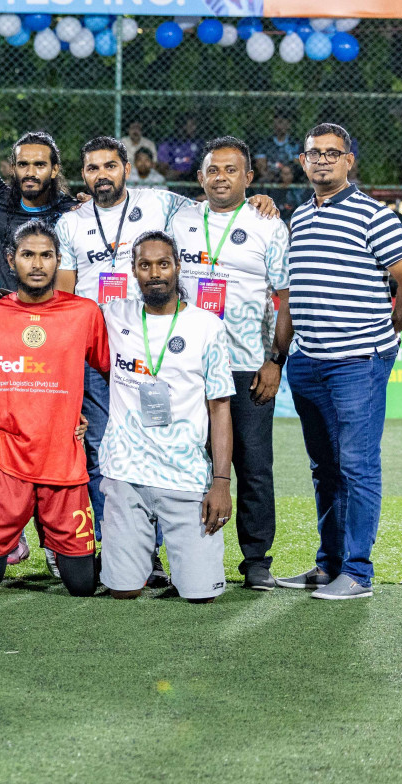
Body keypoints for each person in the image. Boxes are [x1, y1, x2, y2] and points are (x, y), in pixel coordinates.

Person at [53, 137, 274, 554]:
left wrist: (253, 199)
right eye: (93, 168)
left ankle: (160, 551)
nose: (102, 175)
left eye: (110, 166)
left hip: (148, 346)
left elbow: (211, 203)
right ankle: (114, 545)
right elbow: (65, 297)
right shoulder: (72, 221)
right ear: (83, 174)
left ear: (126, 168)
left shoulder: (161, 202)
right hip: (94, 352)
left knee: (160, 446)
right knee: (100, 449)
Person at [276, 123, 402, 599]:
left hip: (357, 363)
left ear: (348, 161)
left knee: (358, 465)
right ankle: (330, 565)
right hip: (309, 362)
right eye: (314, 153)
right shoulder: (299, 217)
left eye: (332, 154)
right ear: (303, 161)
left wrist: (386, 333)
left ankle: (358, 573)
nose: (322, 160)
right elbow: (294, 296)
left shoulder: (374, 216)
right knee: (325, 468)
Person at [0, 221, 108, 598]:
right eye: (28, 255)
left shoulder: (84, 313)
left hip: (63, 458)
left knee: (82, 585)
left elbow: (110, 372)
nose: (38, 264)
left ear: (59, 260)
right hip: (5, 459)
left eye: (46, 255)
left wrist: (88, 417)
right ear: (11, 261)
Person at [171, 137, 289, 590]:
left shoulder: (268, 225)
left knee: (254, 465)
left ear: (249, 178)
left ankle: (256, 560)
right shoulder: (179, 218)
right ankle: (189, 555)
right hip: (186, 366)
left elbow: (285, 298)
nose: (221, 177)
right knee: (187, 464)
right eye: (213, 170)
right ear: (200, 177)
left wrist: (274, 360)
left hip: (246, 366)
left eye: (231, 170)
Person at [98, 232, 237, 602]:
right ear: (134, 270)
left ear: (178, 267)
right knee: (122, 590)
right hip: (126, 473)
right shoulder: (113, 315)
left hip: (185, 476)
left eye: (163, 264)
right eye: (145, 265)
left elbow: (220, 408)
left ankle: (187, 566)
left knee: (199, 594)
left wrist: (221, 482)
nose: (154, 273)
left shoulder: (207, 326)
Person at [0, 131, 83, 293]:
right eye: (23, 164)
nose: (30, 173)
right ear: (13, 168)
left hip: (56, 312)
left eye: (39, 165)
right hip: (12, 311)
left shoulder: (72, 212)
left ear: (54, 169)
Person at [254, 111, 299, 182]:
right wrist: (268, 174)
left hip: (288, 175)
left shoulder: (295, 143)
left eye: (285, 122)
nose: (280, 126)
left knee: (287, 173)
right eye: (279, 122)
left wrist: (285, 171)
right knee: (263, 180)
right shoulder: (265, 143)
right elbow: (260, 165)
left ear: (289, 125)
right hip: (270, 175)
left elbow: (297, 165)